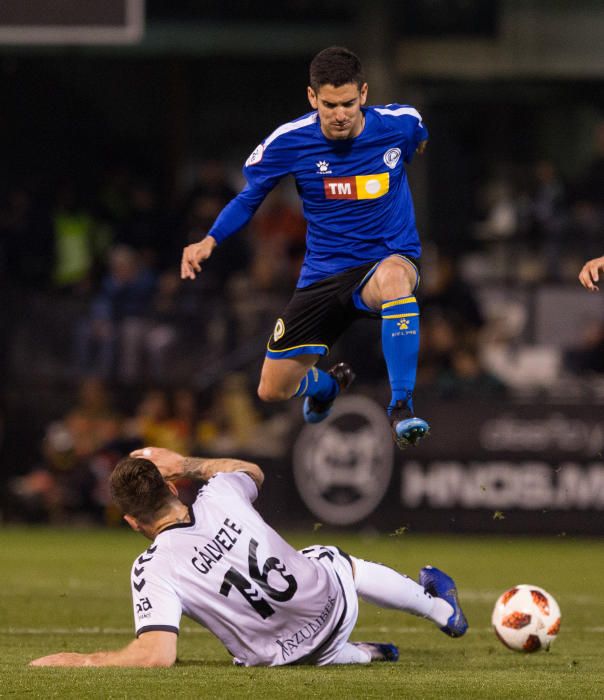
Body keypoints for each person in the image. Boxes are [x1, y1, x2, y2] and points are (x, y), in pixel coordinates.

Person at [180, 46, 430, 449]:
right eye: (329, 104)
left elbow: (419, 136)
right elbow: (249, 198)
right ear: (312, 98)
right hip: (324, 274)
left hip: (385, 258)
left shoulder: (400, 124)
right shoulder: (291, 141)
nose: (340, 114)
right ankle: (327, 386)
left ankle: (401, 407)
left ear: (363, 94)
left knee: (396, 280)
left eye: (349, 103)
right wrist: (210, 239)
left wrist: (416, 147)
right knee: (271, 389)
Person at [30, 446, 468, 668]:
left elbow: (156, 654)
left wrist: (81, 660)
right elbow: (251, 472)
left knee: (264, 625)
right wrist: (183, 461)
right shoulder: (219, 493)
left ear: (130, 522)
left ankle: (361, 655)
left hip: (280, 658)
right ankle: (438, 610)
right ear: (172, 486)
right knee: (330, 559)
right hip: (333, 610)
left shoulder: (153, 565)